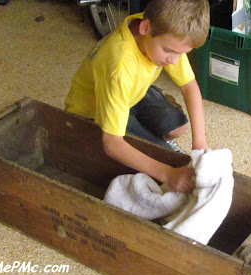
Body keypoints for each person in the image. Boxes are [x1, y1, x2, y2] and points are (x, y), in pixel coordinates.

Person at [65, 0, 210, 194]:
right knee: (164, 160)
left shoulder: (164, 32)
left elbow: (189, 86)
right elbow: (112, 144)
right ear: (145, 27)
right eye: (169, 51)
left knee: (179, 127)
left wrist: (199, 145)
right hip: (94, 111)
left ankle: (144, 130)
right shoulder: (120, 66)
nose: (174, 60)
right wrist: (168, 175)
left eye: (182, 53)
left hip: (133, 91)